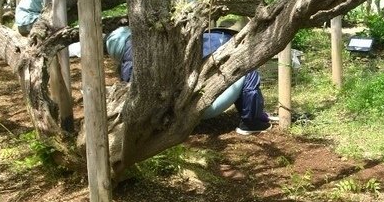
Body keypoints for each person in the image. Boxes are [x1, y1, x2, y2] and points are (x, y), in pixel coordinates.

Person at [104, 26, 271, 135]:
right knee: (248, 70)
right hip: (201, 108)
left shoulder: (131, 63)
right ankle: (252, 123)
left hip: (173, 113)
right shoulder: (159, 44)